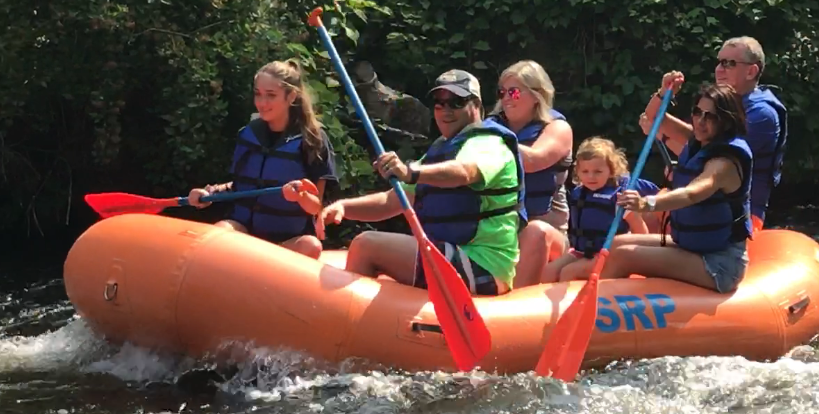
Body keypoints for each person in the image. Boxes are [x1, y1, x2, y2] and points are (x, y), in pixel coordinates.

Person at [318, 70, 525, 295]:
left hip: (482, 266)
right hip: (453, 256)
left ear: (476, 105)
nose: (446, 110)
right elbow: (391, 202)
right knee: (369, 247)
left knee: (365, 245)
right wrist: (344, 207)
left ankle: (344, 318)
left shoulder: (488, 143)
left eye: (456, 102)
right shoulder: (443, 150)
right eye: (439, 103)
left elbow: (464, 172)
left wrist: (410, 172)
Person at [564, 81, 751, 293]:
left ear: (726, 121)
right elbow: (653, 118)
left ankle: (596, 304)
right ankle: (596, 295)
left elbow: (691, 194)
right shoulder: (697, 140)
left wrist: (646, 203)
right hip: (690, 246)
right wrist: (663, 92)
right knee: (616, 244)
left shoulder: (724, 163)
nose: (700, 121)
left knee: (625, 255)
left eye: (711, 116)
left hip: (719, 264)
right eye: (697, 112)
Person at [188, 60, 336, 259]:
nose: (262, 103)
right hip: (244, 230)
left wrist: (300, 196)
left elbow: (316, 207)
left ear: (291, 96)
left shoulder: (313, 140)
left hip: (287, 240)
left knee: (311, 245)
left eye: (271, 95)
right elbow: (239, 186)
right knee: (217, 233)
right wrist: (210, 193)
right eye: (258, 94)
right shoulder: (248, 134)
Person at [639, 37, 787, 230]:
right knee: (625, 213)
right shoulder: (716, 105)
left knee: (640, 218)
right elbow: (655, 118)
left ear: (751, 71)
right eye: (719, 62)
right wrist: (665, 93)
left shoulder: (762, 115)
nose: (719, 69)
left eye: (729, 63)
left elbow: (711, 153)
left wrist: (662, 135)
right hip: (703, 202)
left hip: (736, 215)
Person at [489, 61, 573, 288]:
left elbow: (534, 160)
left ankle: (515, 303)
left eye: (514, 92)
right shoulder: (492, 127)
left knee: (535, 232)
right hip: (500, 232)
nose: (506, 98)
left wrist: (489, 141)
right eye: (502, 92)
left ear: (537, 95)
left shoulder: (557, 128)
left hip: (548, 234)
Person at [542, 137, 659, 284]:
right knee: (549, 271)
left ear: (611, 171)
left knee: (569, 272)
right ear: (578, 172)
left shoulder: (620, 199)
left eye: (598, 171)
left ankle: (576, 300)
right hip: (582, 252)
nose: (591, 176)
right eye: (585, 171)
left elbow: (641, 233)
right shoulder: (579, 193)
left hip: (609, 256)